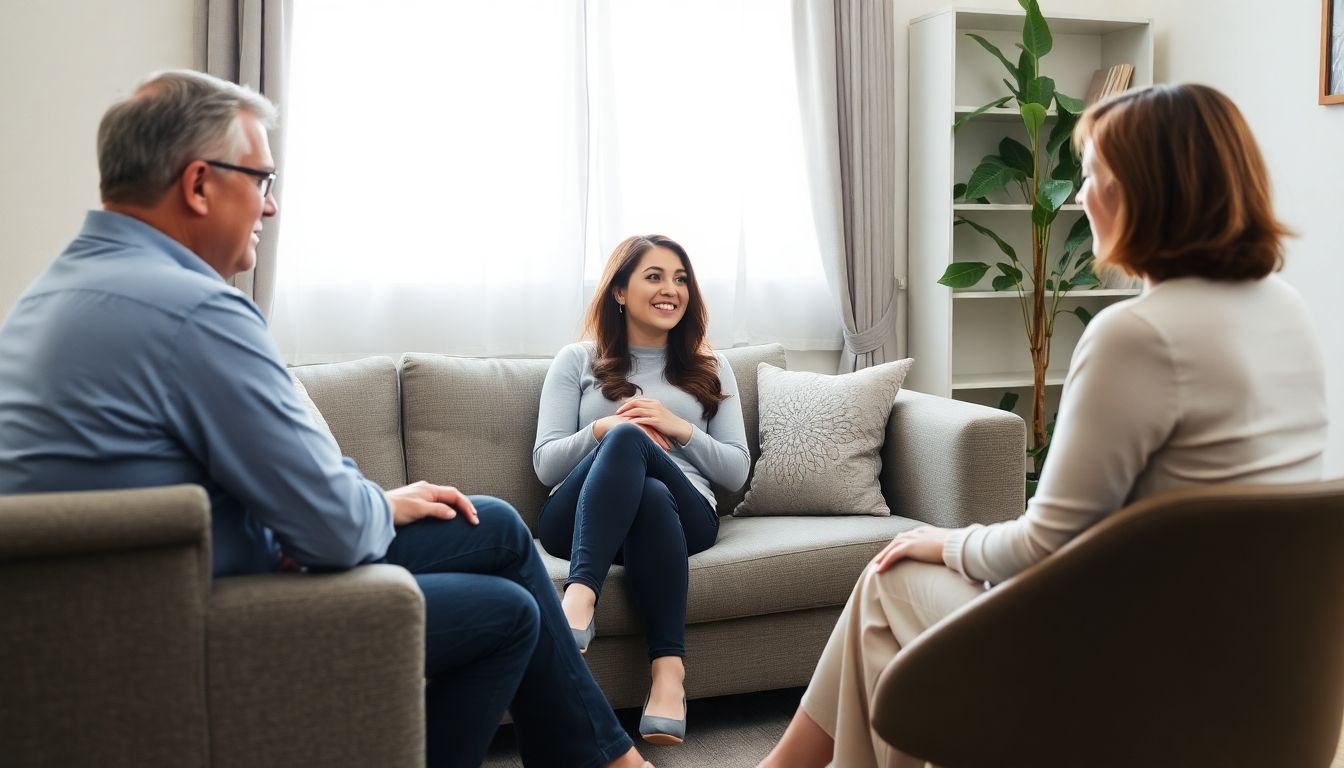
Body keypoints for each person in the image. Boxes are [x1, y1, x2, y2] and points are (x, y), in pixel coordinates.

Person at [0, 70, 652, 768]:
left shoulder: (46, 300)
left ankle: (604, 760)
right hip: (183, 627)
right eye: (261, 178)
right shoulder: (196, 312)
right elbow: (332, 528)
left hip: (86, 626)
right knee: (504, 593)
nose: (270, 205)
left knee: (489, 529)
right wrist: (338, 514)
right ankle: (607, 761)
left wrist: (332, 512)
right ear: (198, 184)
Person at [758, 83, 1329, 768]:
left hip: (1138, 669)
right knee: (903, 588)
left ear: (1148, 189)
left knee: (889, 580)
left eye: (1094, 174)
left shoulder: (1139, 334)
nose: (1081, 197)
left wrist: (947, 542)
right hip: (1265, 664)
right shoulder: (1286, 307)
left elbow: (1045, 547)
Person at [533, 234, 750, 745]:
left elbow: (736, 471)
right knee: (627, 438)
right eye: (654, 276)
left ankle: (585, 607)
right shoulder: (576, 361)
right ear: (619, 291)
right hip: (578, 519)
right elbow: (546, 464)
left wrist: (679, 428)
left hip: (684, 517)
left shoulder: (712, 366)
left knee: (653, 491)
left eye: (681, 279)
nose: (671, 289)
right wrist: (603, 430)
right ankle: (663, 671)